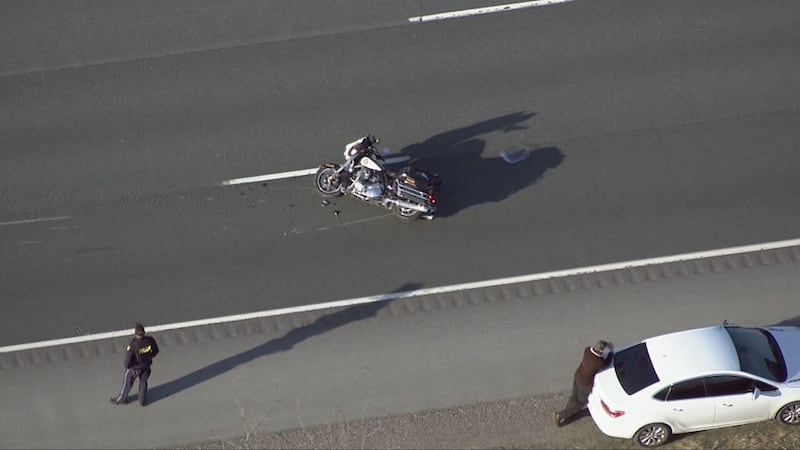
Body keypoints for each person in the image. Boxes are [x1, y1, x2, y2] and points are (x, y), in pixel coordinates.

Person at [555, 339, 614, 427]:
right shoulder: (598, 362)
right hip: (585, 384)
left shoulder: (587, 350)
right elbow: (607, 363)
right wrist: (611, 351)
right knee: (580, 402)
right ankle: (562, 415)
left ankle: (569, 412)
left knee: (574, 397)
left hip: (578, 376)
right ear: (601, 351)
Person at [110, 322, 159, 406]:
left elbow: (128, 359)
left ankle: (122, 399)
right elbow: (156, 351)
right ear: (144, 332)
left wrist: (127, 367)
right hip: (146, 366)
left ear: (135, 333)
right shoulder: (150, 340)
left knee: (127, 382)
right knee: (143, 382)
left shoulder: (133, 344)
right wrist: (149, 357)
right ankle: (142, 401)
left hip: (135, 368)